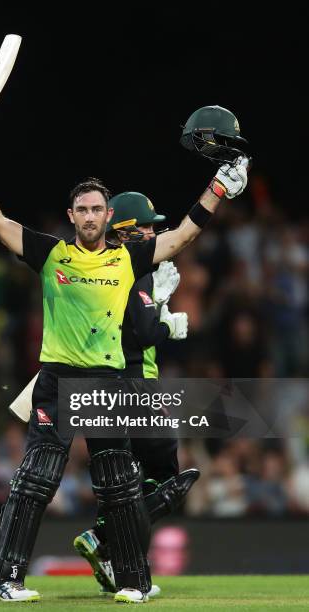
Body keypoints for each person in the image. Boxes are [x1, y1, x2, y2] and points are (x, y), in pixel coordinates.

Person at [0, 140, 248, 603]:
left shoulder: (127, 259)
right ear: (72, 215)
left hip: (107, 383)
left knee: (120, 485)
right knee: (37, 479)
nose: (91, 216)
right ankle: (3, 579)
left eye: (98, 209)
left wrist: (219, 187)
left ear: (106, 215)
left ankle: (134, 583)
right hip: (58, 381)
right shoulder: (51, 254)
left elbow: (181, 236)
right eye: (83, 210)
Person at [73, 192, 199, 595]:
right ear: (125, 233)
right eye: (146, 227)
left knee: (126, 480)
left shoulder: (98, 267)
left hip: (104, 386)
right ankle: (105, 536)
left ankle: (115, 563)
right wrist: (167, 322)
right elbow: (142, 335)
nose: (153, 232)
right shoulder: (135, 268)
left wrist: (156, 302)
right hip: (136, 385)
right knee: (166, 480)